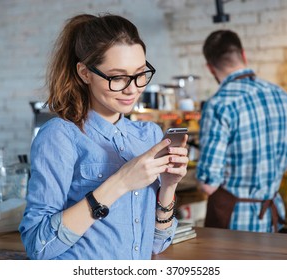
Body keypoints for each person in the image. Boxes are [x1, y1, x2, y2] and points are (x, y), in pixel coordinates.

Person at [19, 14, 188, 260]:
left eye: (140, 73)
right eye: (118, 77)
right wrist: (120, 182)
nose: (133, 88)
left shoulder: (149, 134)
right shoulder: (59, 136)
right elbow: (38, 246)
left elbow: (156, 244)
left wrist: (168, 187)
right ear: (85, 73)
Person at [196, 30, 287, 232]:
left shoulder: (219, 104)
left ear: (210, 67)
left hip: (235, 221)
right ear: (243, 54)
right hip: (272, 217)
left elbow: (208, 183)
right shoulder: (281, 96)